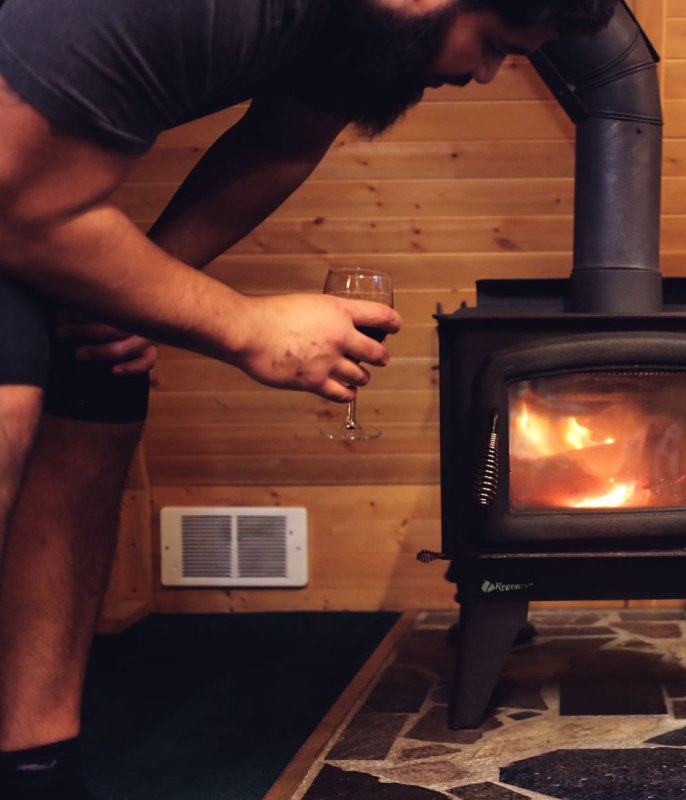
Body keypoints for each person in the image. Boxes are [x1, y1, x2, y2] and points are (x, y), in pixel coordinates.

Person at [0, 0, 615, 798]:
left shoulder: (352, 38)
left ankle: (36, 767)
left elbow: (278, 143)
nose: (484, 74)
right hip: (14, 190)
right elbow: (20, 204)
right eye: (493, 44)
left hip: (26, 196)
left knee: (101, 374)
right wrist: (245, 325)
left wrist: (140, 288)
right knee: (9, 403)